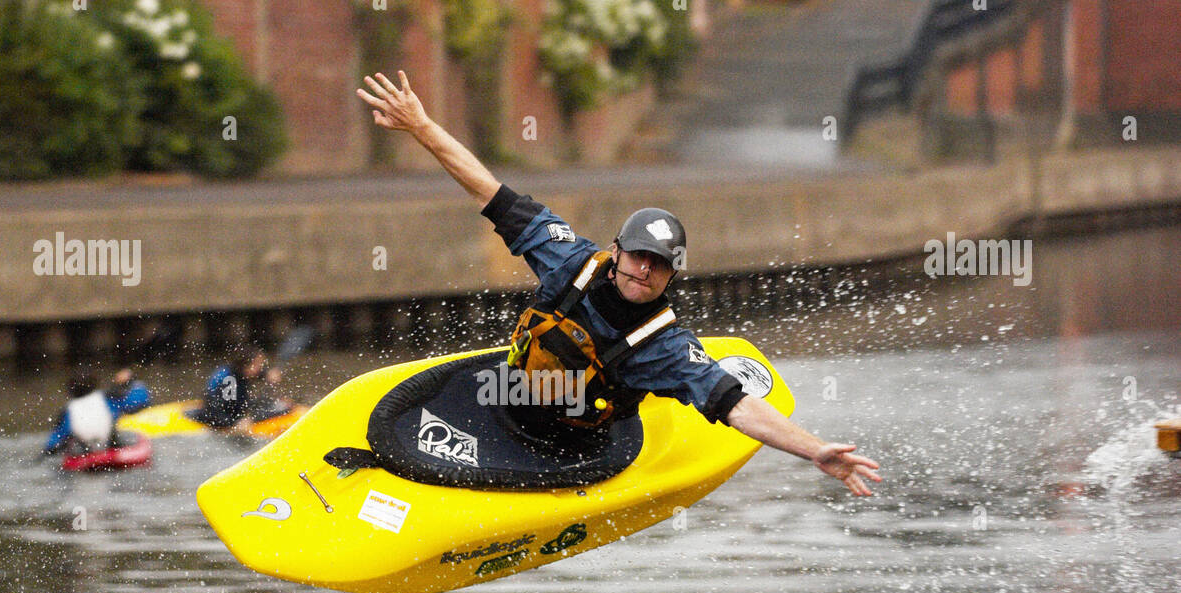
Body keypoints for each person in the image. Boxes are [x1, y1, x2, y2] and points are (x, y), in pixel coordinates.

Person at [356, 70, 881, 497]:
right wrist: (422, 126)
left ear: (672, 274)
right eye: (637, 257)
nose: (644, 270)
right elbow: (488, 191)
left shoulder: (666, 346)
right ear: (615, 253)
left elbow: (737, 405)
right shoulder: (568, 260)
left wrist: (815, 450)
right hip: (506, 399)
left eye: (659, 265)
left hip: (572, 444)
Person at [44, 368, 150, 455]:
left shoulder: (68, 411)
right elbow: (139, 401)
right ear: (95, 384)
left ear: (70, 390)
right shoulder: (107, 399)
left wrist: (49, 451)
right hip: (110, 448)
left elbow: (53, 443)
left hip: (84, 454)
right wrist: (130, 381)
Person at [194, 345, 292, 433]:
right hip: (217, 417)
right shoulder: (229, 381)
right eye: (258, 364)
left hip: (231, 409)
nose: (261, 367)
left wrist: (267, 374)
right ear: (246, 364)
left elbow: (254, 373)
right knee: (269, 411)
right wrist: (234, 424)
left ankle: (282, 407)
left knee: (274, 406)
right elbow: (216, 411)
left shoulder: (239, 371)